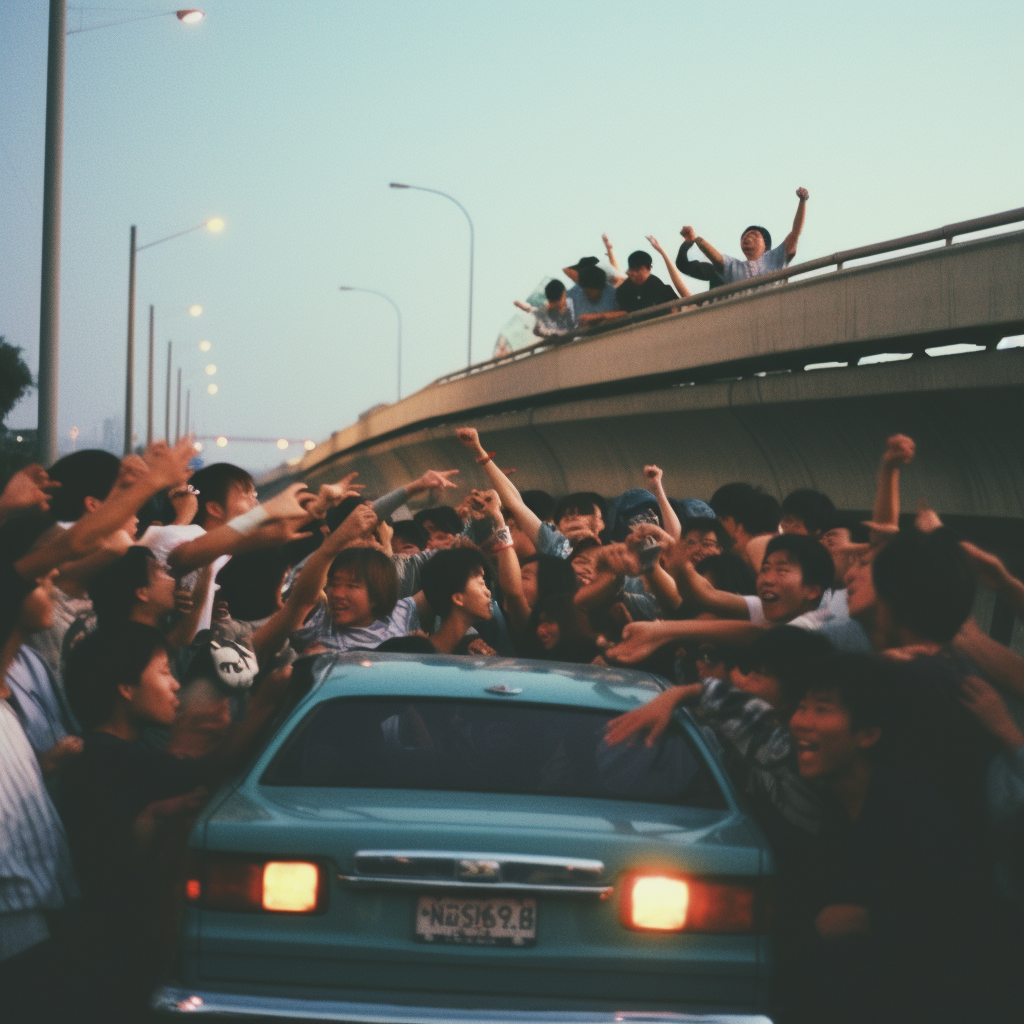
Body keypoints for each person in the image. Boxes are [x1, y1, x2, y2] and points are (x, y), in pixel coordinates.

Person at [681, 187, 810, 285]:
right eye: (744, 237)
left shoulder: (776, 258)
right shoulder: (734, 266)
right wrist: (697, 239)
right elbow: (717, 258)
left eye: (754, 235)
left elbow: (795, 233)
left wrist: (802, 201)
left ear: (766, 244)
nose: (747, 238)